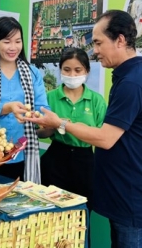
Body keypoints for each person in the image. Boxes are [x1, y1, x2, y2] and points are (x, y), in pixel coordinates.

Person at [24, 9, 142, 248]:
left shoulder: (132, 83)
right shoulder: (125, 78)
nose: (95, 51)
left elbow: (105, 138)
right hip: (122, 194)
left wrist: (60, 123)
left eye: (99, 43)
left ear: (120, 39)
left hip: (133, 198)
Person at [0, 16, 49, 184]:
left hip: (24, 152)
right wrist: (9, 107)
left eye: (18, 41)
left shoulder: (33, 73)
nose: (13, 47)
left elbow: (43, 106)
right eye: (7, 42)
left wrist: (40, 116)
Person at [37, 47, 106, 213]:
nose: (72, 75)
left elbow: (103, 137)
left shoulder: (96, 100)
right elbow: (38, 132)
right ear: (60, 70)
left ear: (87, 71)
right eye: (67, 70)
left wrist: (69, 126)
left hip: (85, 162)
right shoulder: (49, 97)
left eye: (78, 70)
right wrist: (52, 127)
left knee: (81, 215)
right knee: (50, 213)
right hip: (55, 160)